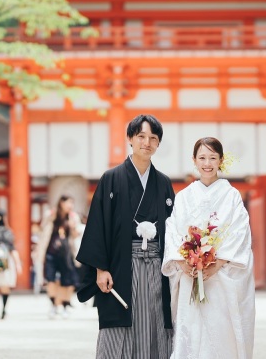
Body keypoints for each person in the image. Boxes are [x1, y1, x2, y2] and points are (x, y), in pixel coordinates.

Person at [76, 114, 176, 358]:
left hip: (156, 266)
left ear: (158, 143)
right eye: (141, 136)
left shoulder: (163, 183)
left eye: (153, 138)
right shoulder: (112, 179)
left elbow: (173, 229)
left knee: (156, 321)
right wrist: (100, 268)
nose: (147, 142)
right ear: (130, 138)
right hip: (121, 267)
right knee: (119, 325)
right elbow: (98, 225)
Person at [162, 137, 255, 359]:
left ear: (221, 160)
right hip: (191, 275)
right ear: (194, 160)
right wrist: (184, 261)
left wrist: (217, 262)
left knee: (220, 329)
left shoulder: (231, 196)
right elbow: (173, 229)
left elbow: (239, 232)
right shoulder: (183, 196)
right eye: (202, 157)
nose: (207, 163)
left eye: (213, 158)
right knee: (191, 328)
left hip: (220, 276)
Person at [35, 195, 81, 318]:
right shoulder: (50, 214)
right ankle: (54, 305)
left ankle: (65, 305)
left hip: (67, 253)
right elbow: (42, 229)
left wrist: (73, 227)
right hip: (51, 252)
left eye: (72, 203)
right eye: (68, 203)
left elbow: (76, 235)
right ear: (61, 203)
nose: (70, 206)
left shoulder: (73, 217)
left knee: (68, 280)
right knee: (50, 279)